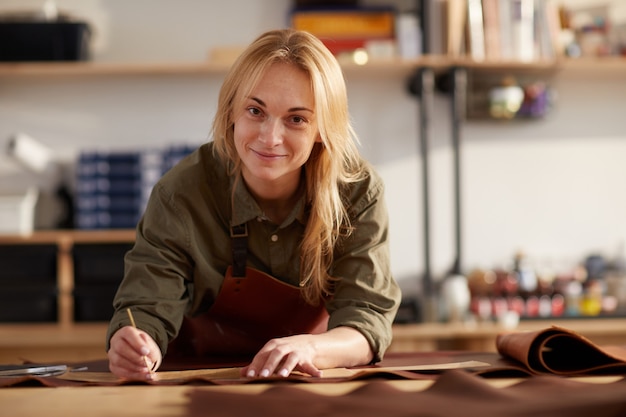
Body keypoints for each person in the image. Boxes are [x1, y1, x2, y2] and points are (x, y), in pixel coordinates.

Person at [106, 28, 401, 381]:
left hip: (310, 380)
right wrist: (137, 344)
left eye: (296, 119)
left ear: (322, 128)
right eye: (255, 110)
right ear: (231, 110)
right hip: (200, 383)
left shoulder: (357, 192)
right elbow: (146, 309)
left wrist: (310, 348)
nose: (269, 137)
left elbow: (366, 321)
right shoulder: (180, 194)